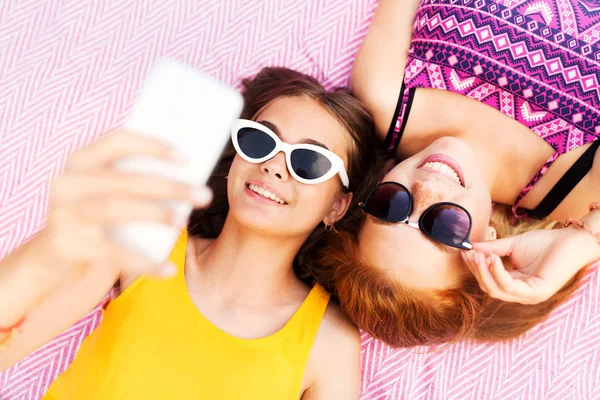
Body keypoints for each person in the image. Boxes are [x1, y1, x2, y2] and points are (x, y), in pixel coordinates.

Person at [0, 67, 382, 399]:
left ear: (338, 205)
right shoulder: (142, 246)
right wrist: (49, 250)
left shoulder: (329, 343)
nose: (273, 165)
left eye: (310, 161)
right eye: (260, 141)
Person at [305, 0, 600, 347]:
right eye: (445, 227)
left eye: (391, 206)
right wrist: (585, 241)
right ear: (488, 244)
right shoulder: (573, 188)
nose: (426, 190)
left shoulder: (386, 98)